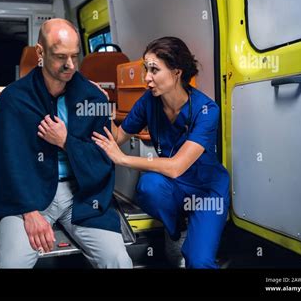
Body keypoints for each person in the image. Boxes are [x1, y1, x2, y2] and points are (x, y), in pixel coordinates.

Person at [0, 18, 132, 269]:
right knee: (12, 264)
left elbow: (102, 158)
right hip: (28, 197)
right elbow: (5, 165)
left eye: (75, 56)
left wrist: (65, 142)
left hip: (81, 194)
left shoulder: (93, 97)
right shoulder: (14, 98)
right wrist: (29, 213)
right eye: (61, 57)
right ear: (40, 52)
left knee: (119, 262)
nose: (70, 65)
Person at [92, 37, 230, 269]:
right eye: (146, 69)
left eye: (154, 70)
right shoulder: (149, 101)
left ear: (177, 72)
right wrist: (103, 105)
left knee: (199, 261)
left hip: (207, 191)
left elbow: (176, 167)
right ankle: (177, 227)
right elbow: (118, 137)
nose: (146, 77)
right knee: (148, 187)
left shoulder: (206, 110)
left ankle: (194, 237)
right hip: (175, 187)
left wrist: (123, 159)